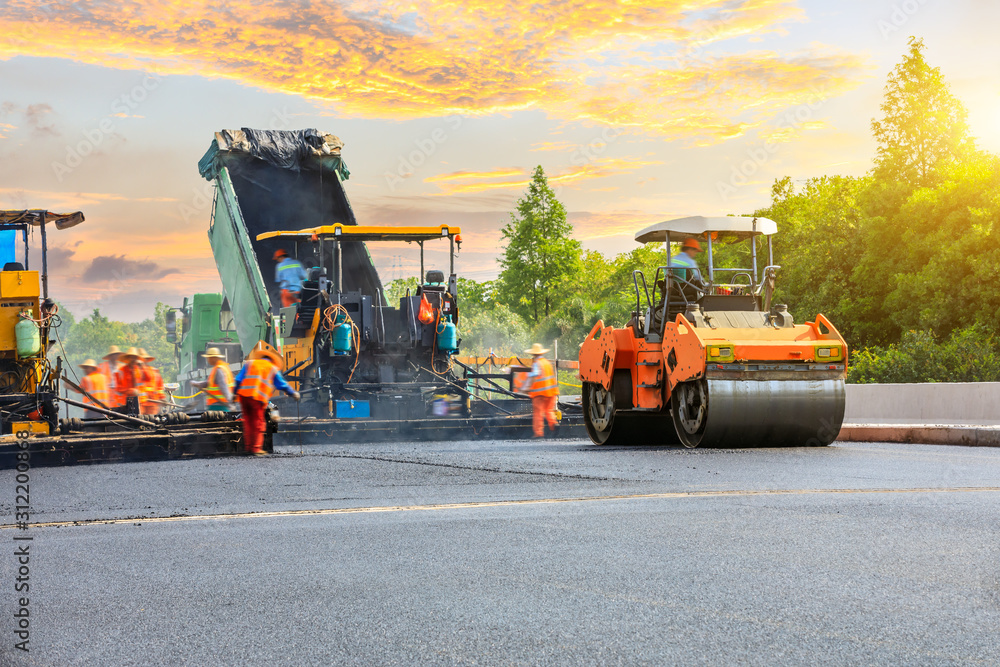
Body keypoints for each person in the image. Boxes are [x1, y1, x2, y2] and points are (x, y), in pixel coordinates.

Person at [233, 343, 300, 456]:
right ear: (272, 360)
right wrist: (293, 393)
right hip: (256, 399)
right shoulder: (272, 368)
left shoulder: (250, 363)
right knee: (258, 423)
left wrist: (234, 393)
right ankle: (256, 449)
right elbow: (281, 384)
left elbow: (238, 380)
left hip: (243, 397)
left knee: (248, 423)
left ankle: (248, 448)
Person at [518, 343, 559, 438]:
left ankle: (538, 433)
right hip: (551, 392)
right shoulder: (547, 363)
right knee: (549, 410)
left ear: (533, 354)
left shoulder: (536, 364)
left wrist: (525, 388)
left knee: (538, 412)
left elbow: (533, 376)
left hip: (539, 393)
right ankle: (554, 424)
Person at [191, 347, 234, 411]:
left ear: (213, 358)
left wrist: (230, 402)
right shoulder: (221, 367)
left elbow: (223, 386)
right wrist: (197, 384)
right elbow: (209, 383)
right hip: (219, 405)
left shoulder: (218, 369)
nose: (208, 360)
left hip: (219, 406)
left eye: (208, 358)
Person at [114, 347, 149, 415]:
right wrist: (131, 391)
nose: (133, 359)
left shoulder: (139, 369)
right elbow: (118, 388)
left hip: (139, 402)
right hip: (125, 403)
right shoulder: (121, 371)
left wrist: (143, 366)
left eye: (135, 357)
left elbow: (148, 378)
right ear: (128, 359)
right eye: (131, 357)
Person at [138, 348, 164, 416]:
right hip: (140, 404)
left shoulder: (154, 371)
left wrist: (162, 398)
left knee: (152, 421)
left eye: (143, 359)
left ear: (146, 360)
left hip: (153, 404)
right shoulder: (133, 372)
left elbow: (159, 387)